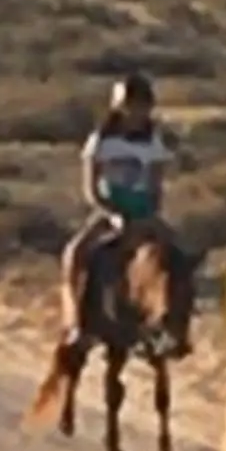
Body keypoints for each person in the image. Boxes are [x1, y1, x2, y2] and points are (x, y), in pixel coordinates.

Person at [59, 71, 174, 348]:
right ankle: (75, 322)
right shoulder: (101, 140)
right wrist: (112, 213)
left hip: (143, 212)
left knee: (177, 258)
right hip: (111, 209)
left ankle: (171, 323)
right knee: (75, 254)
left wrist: (150, 215)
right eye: (130, 105)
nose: (136, 112)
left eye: (141, 106)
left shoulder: (153, 142)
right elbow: (91, 186)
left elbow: (156, 184)